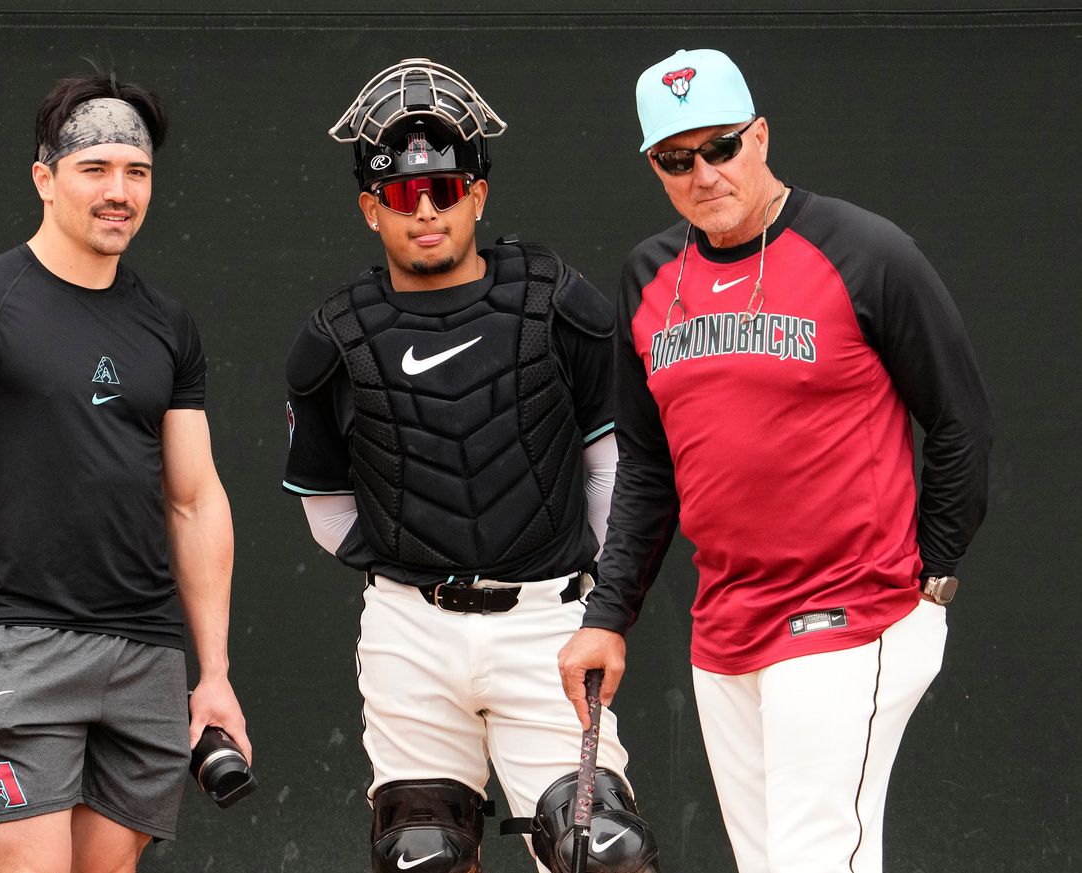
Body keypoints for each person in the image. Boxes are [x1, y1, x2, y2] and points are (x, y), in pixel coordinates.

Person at [558, 48, 992, 873]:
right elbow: (647, 467)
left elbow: (962, 422)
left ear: (760, 136)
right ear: (655, 167)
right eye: (676, 159)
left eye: (720, 146)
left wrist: (927, 577)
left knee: (817, 860)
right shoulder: (650, 276)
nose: (704, 173)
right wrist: (608, 615)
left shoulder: (866, 250)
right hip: (726, 627)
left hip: (850, 615)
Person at [283, 58, 660, 873]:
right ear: (369, 208)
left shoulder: (554, 299)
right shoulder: (335, 338)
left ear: (478, 196)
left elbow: (613, 470)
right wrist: (409, 570)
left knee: (602, 852)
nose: (425, 210)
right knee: (422, 853)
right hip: (409, 631)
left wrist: (581, 588)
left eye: (446, 190)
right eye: (400, 195)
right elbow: (325, 508)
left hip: (547, 620)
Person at [0, 71, 249, 873]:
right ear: (45, 178)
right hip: (23, 650)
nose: (119, 191)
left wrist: (214, 674)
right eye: (96, 169)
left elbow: (194, 501)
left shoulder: (168, 323)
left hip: (147, 657)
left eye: (137, 171)